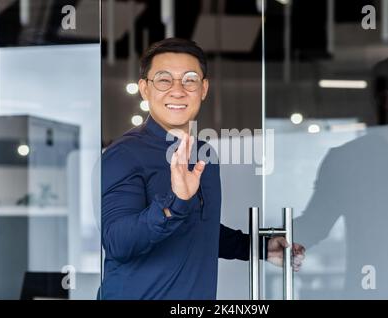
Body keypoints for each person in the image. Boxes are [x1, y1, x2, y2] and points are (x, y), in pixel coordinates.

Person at [100, 38, 305, 300]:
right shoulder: (124, 155)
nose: (178, 90)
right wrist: (175, 204)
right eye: (164, 80)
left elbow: (198, 232)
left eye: (190, 79)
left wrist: (260, 248)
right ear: (144, 89)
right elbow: (118, 243)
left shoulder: (204, 154)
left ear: (203, 88)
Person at [293, 55, 388, 299]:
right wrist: (260, 242)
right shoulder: (346, 159)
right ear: (386, 99)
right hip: (368, 292)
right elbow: (315, 224)